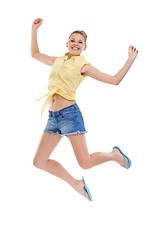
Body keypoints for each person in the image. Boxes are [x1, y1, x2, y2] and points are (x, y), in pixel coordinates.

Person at [31, 18, 138, 202]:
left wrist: (130, 60)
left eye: (80, 42)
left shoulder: (83, 66)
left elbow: (113, 80)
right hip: (53, 117)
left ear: (84, 47)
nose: (76, 44)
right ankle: (76, 184)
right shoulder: (58, 60)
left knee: (85, 163)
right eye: (73, 40)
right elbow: (34, 53)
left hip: (70, 116)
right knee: (39, 161)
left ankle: (114, 155)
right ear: (67, 43)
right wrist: (34, 29)